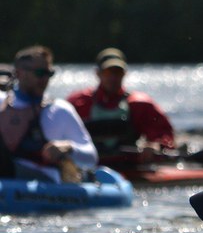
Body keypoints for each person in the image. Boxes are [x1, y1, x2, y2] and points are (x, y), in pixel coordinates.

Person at [0, 45, 98, 182]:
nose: (45, 79)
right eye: (40, 73)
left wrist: (69, 148)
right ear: (19, 73)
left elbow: (92, 158)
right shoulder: (2, 102)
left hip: (45, 184)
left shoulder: (60, 110)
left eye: (49, 73)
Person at [67, 48, 175, 164]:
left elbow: (164, 134)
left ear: (125, 73)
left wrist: (156, 145)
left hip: (130, 167)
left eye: (118, 72)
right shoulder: (78, 103)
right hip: (89, 167)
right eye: (108, 72)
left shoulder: (140, 104)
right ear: (98, 73)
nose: (113, 77)